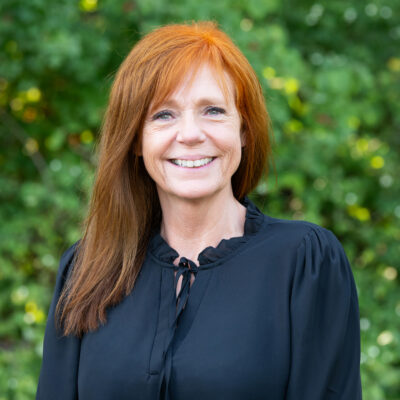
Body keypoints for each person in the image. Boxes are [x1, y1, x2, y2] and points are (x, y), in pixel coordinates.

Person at [36, 21, 362, 399]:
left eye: (212, 110)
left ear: (243, 130)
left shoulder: (305, 261)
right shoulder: (86, 269)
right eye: (163, 115)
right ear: (136, 140)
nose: (190, 134)